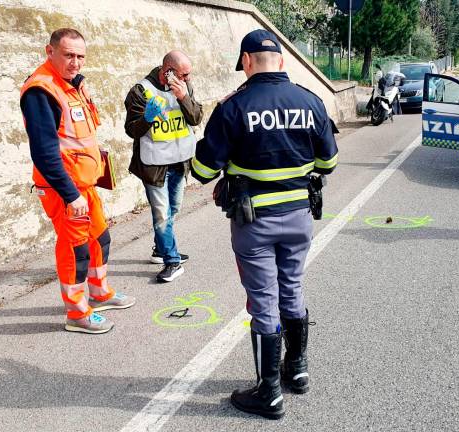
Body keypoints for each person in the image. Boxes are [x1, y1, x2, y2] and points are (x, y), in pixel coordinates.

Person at [191, 29, 338, 419]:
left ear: (246, 62)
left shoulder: (233, 107)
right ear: (282, 62)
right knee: (291, 289)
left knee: (263, 302)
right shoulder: (312, 102)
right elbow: (328, 164)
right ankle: (298, 370)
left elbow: (203, 169)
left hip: (254, 222)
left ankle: (269, 393)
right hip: (299, 217)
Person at [20, 28, 135, 334]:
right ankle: (77, 313)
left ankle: (99, 294)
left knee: (100, 239)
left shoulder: (71, 84)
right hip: (63, 189)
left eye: (80, 56)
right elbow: (44, 152)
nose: (75, 63)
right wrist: (70, 195)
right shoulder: (40, 91)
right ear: (50, 51)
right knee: (76, 250)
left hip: (84, 185)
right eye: (68, 55)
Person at [124, 50, 203, 282]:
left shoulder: (185, 87)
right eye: (183, 74)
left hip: (179, 162)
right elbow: (132, 130)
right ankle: (172, 261)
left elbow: (196, 118)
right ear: (167, 71)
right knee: (162, 215)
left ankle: (160, 250)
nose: (187, 78)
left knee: (173, 210)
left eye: (188, 74)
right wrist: (148, 117)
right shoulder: (140, 91)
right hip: (154, 165)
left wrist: (184, 99)